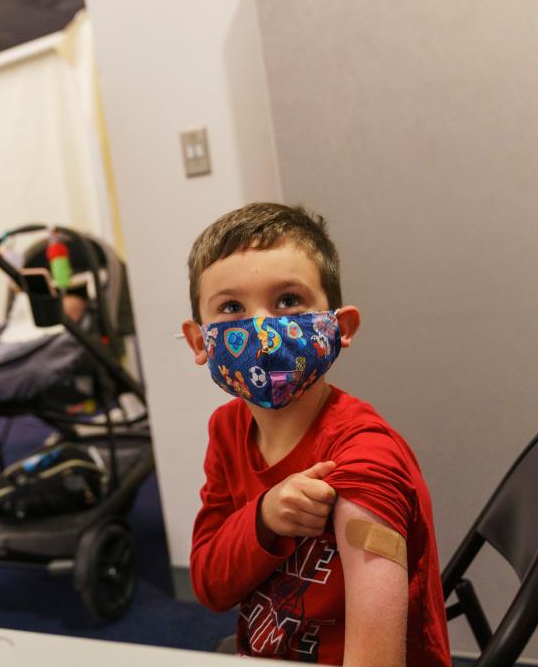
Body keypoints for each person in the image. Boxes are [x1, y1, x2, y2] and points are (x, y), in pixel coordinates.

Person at [180, 203, 449, 665]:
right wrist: (263, 517)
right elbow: (208, 584)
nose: (262, 330)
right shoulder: (226, 429)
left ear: (340, 327)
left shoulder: (365, 461)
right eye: (231, 308)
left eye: (288, 300)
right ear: (200, 342)